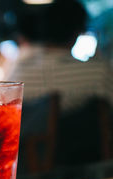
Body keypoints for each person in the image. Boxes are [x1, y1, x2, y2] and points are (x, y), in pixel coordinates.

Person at [10, 0, 113, 167]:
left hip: (23, 169)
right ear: (78, 31)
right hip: (80, 172)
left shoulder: (19, 71)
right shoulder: (96, 72)